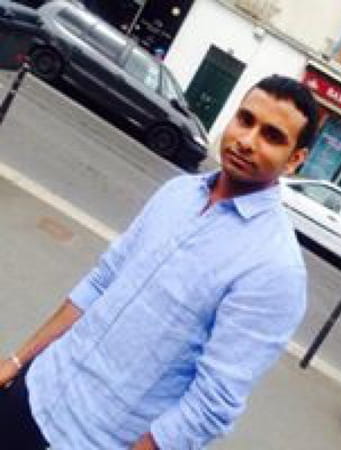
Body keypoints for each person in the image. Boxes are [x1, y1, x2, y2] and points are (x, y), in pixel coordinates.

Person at [0, 74, 319, 450]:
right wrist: (17, 361)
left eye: (272, 136)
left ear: (295, 159)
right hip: (37, 387)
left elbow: (211, 404)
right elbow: (101, 282)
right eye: (245, 120)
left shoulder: (276, 269)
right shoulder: (178, 193)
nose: (247, 141)